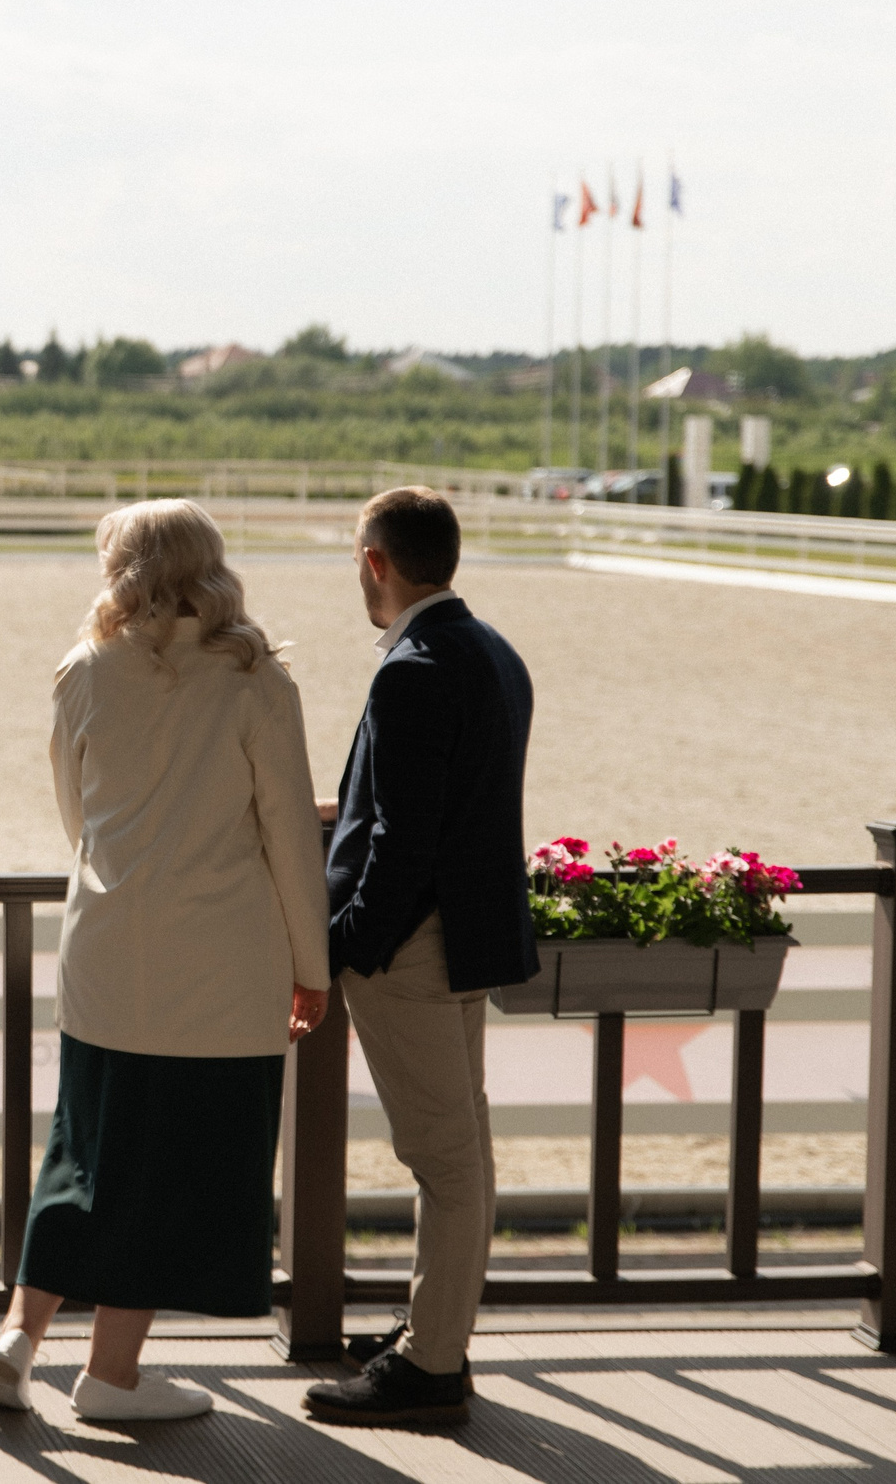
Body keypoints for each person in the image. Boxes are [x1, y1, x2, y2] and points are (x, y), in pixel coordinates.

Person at [0, 499, 330, 1423]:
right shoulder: (256, 679)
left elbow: (77, 816)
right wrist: (313, 965)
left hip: (107, 951)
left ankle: (19, 1336)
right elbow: (292, 838)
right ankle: (111, 1374)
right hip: (220, 965)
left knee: (87, 1148)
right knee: (169, 1171)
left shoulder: (86, 668)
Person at [303, 486, 536, 1430]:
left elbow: (401, 841)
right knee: (463, 1147)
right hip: (469, 936)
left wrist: (343, 947)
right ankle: (435, 1332)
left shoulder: (413, 669)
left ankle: (432, 1361)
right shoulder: (494, 650)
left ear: (377, 561)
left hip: (410, 947)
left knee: (444, 1159)